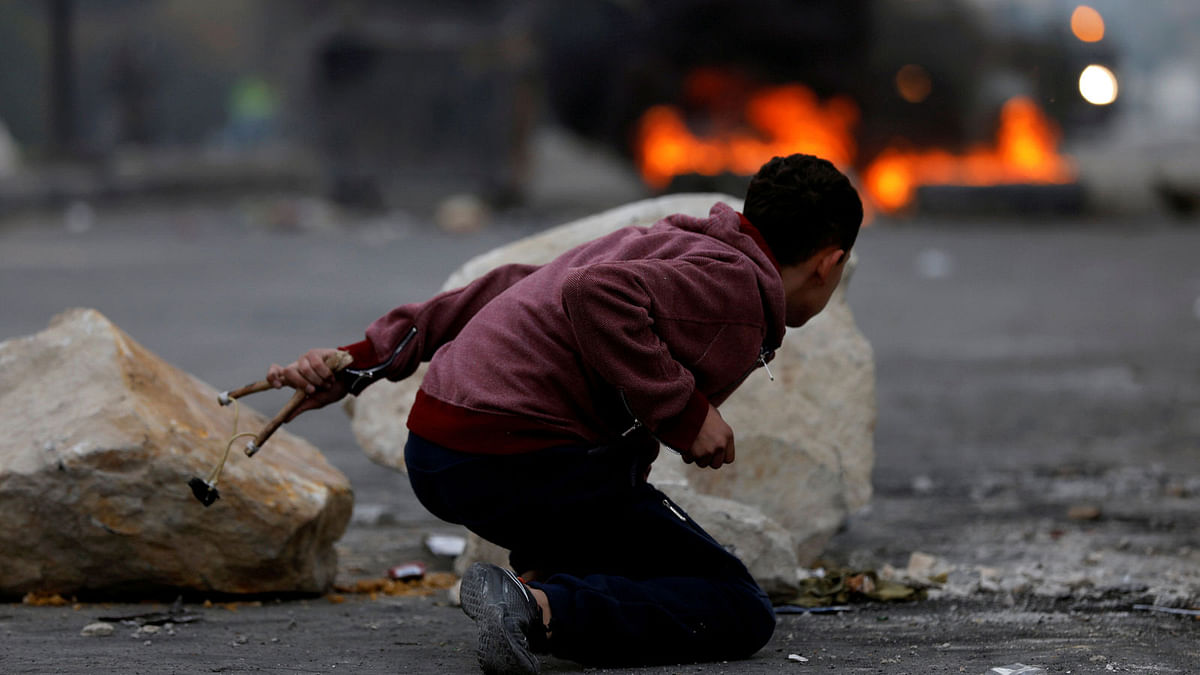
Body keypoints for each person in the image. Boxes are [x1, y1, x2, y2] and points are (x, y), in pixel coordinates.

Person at [267, 153, 863, 674]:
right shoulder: (734, 291)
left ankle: (536, 587)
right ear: (828, 264)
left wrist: (363, 361)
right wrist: (685, 413)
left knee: (622, 532)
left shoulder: (676, 239)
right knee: (737, 606)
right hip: (521, 456)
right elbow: (593, 293)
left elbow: (511, 284)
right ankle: (540, 611)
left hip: (443, 445)